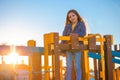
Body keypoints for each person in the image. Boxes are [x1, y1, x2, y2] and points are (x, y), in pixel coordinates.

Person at [62, 9, 87, 80]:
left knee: (77, 66)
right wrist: (62, 48)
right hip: (68, 47)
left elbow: (83, 34)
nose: (72, 18)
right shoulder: (67, 26)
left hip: (77, 47)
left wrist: (73, 35)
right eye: (70, 17)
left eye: (73, 15)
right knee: (69, 66)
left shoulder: (81, 24)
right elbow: (63, 37)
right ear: (68, 19)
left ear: (77, 15)